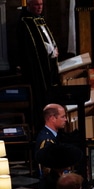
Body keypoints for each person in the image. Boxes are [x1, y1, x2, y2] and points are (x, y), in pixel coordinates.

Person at [17, 0, 61, 130]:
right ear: (29, 5)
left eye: (41, 4)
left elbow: (47, 37)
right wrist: (49, 49)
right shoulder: (25, 22)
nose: (39, 7)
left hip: (49, 66)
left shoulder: (40, 19)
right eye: (36, 5)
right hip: (37, 71)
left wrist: (54, 47)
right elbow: (32, 47)